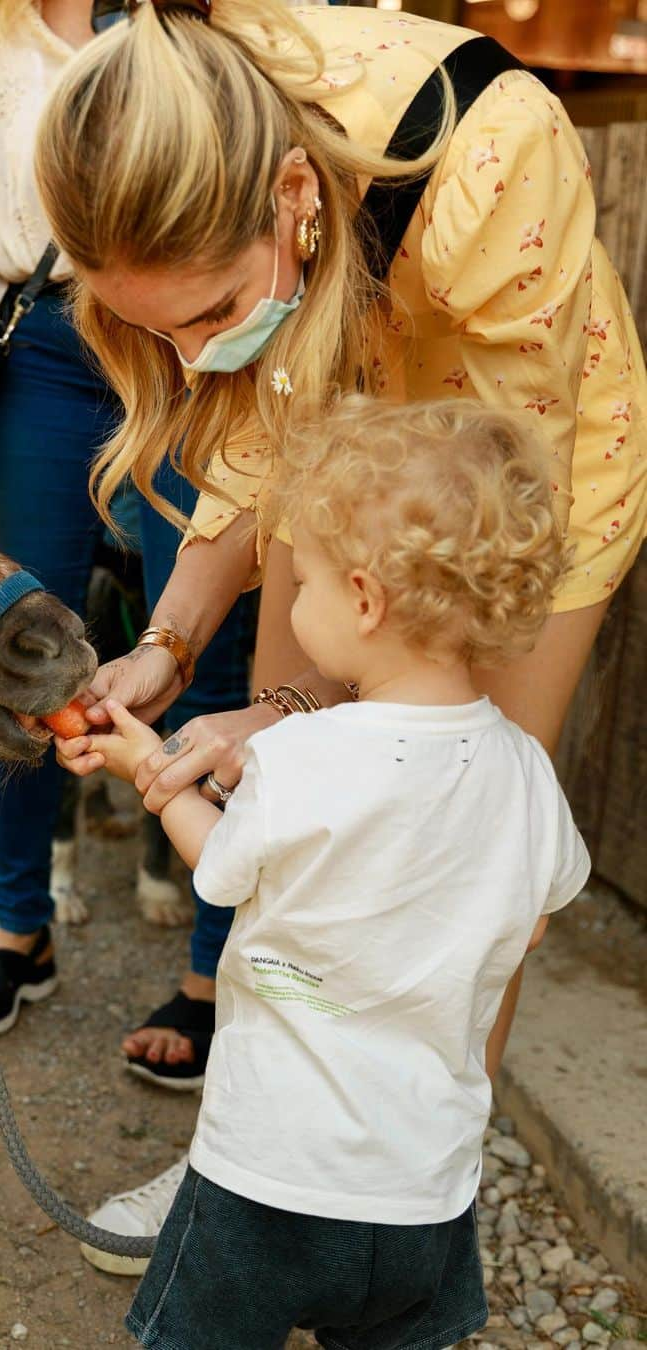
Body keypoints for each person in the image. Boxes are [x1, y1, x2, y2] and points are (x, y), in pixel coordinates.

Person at [36, 0, 643, 1207]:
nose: (200, 356)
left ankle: (415, 1197)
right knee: (286, 815)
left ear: (297, 195)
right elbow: (260, 416)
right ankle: (254, 1168)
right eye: (166, 334)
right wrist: (171, 645)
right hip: (349, 455)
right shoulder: (184, 131)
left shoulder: (494, 156)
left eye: (212, 317)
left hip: (509, 500)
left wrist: (319, 708)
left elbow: (482, 526)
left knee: (458, 843)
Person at [78, 396, 589, 1346]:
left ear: (363, 599)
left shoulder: (303, 758)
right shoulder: (525, 770)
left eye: (301, 581)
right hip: (426, 1194)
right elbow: (535, 923)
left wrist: (142, 768)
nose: (295, 602)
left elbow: (221, 869)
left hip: (266, 1179)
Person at [0, 0, 255, 1082]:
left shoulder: (209, 15)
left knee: (210, 645)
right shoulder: (2, 20)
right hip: (52, 341)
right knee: (16, 641)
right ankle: (21, 928)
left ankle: (213, 968)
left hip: (192, 331)